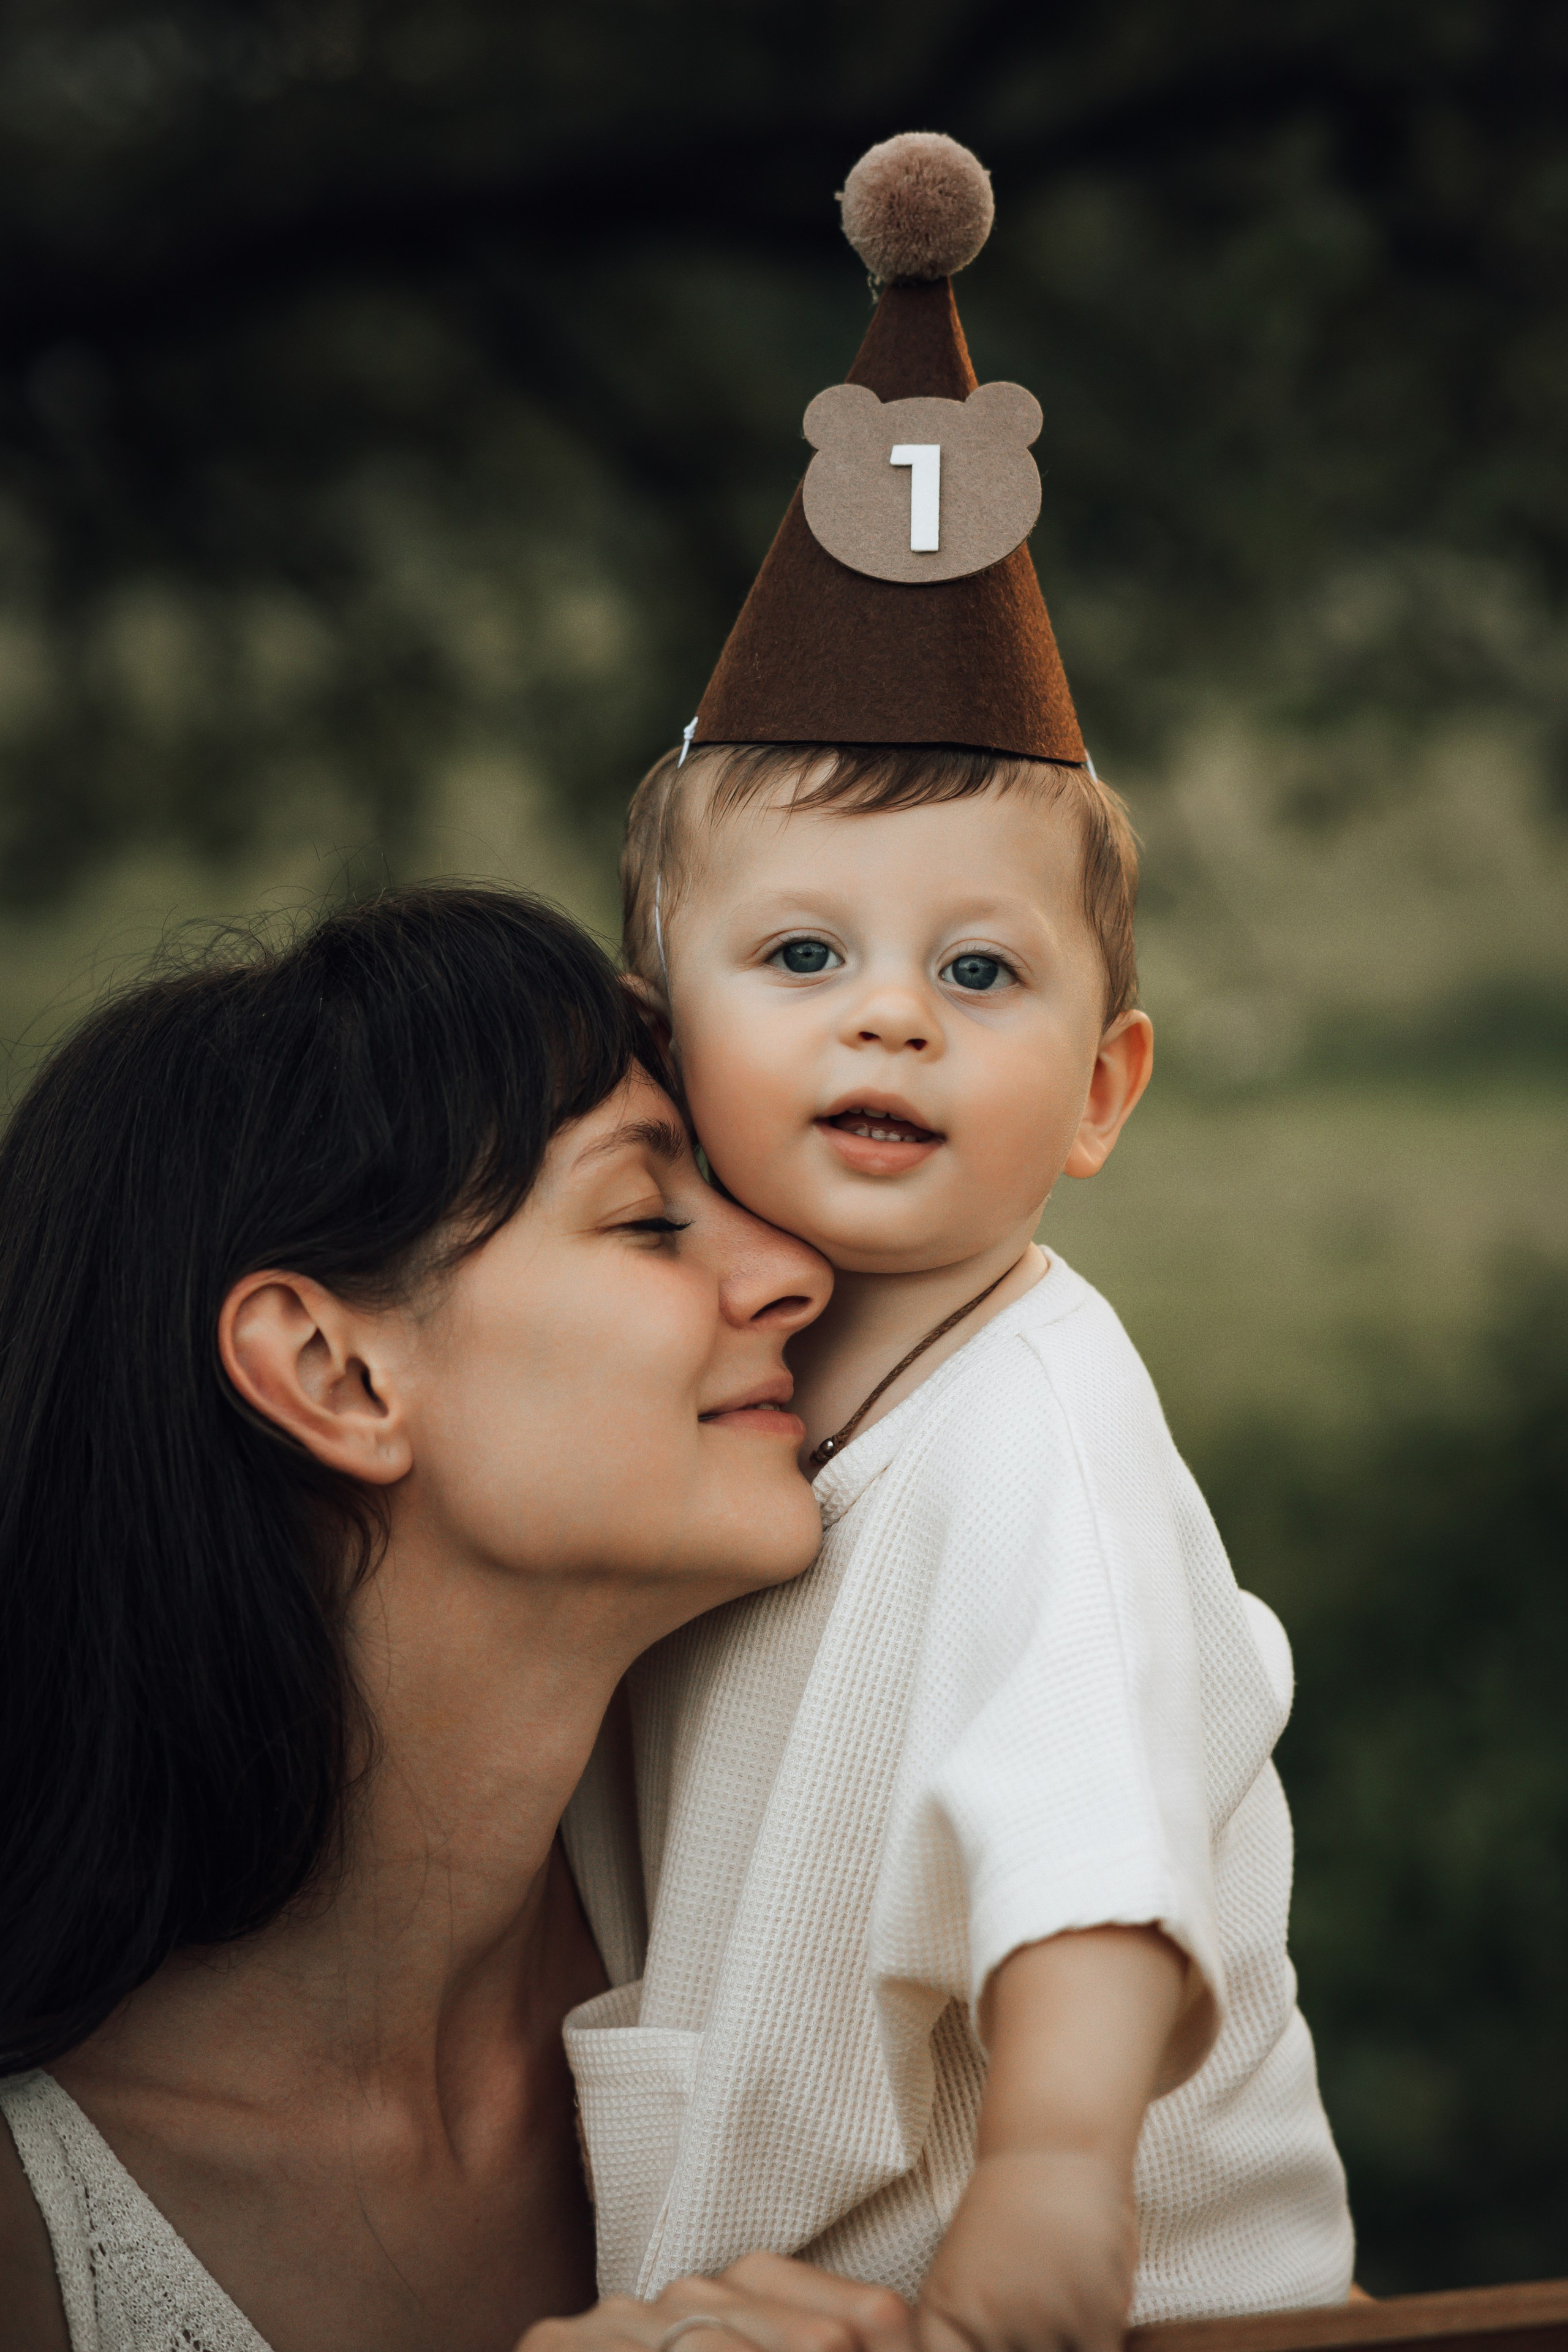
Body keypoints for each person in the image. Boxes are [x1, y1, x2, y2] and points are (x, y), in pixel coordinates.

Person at [560, 134, 1356, 2348]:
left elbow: (1089, 1822)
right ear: (657, 1026)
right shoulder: (718, 1393)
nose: (893, 1009)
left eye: (982, 976)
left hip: (1133, 2302)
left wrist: (1064, 2178)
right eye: (801, 953)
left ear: (1104, 1095)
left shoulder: (1040, 1422)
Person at [0, 881, 903, 2352]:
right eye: (644, 1217)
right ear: (332, 1373)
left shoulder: (801, 1963)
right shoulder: (33, 2229)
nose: (794, 1270)